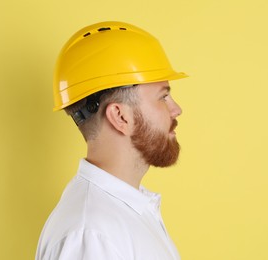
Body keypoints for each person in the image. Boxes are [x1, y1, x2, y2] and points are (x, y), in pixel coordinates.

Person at [36, 21, 188, 260]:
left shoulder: (121, 213)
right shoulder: (92, 235)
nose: (176, 109)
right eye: (163, 97)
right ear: (120, 116)